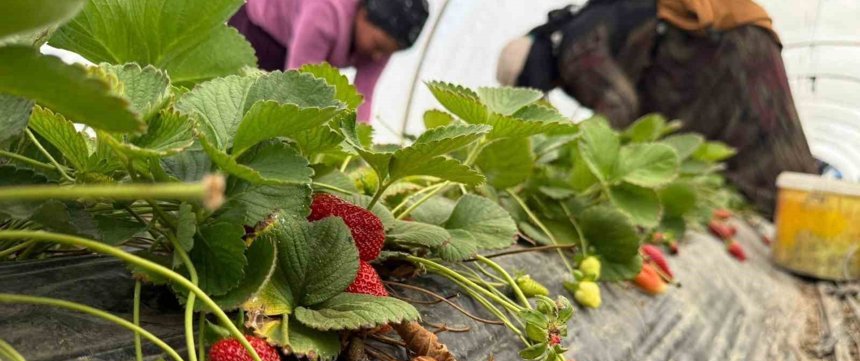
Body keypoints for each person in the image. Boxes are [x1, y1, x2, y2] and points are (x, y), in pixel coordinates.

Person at [497, 0, 818, 216]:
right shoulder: (576, 30)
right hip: (722, 42)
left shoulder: (574, 51)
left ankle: (810, 223)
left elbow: (620, 108)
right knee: (745, 146)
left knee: (769, 151)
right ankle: (806, 220)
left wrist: (583, 163)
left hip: (726, 48)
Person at [230, 0, 430, 122]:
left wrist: (356, 151)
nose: (379, 56)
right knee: (243, 102)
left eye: (388, 52)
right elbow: (299, 83)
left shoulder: (382, 47)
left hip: (298, 45)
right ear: (364, 14)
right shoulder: (326, 11)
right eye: (378, 45)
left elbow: (363, 96)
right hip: (261, 30)